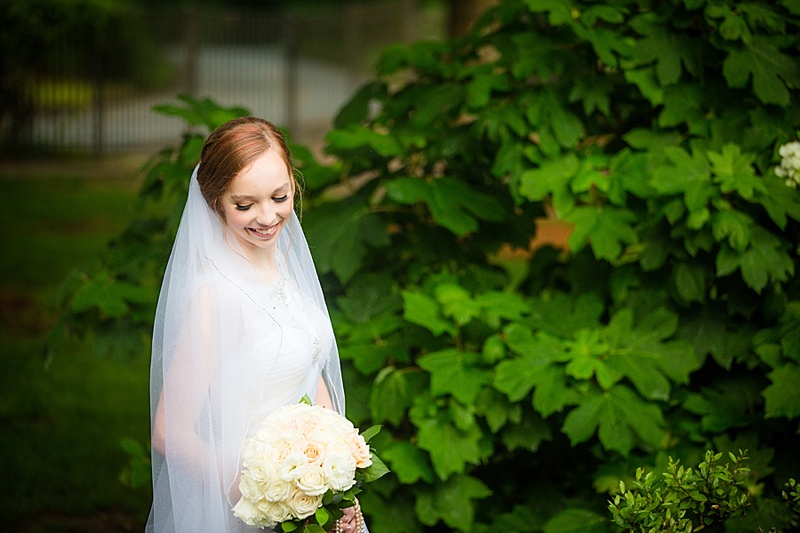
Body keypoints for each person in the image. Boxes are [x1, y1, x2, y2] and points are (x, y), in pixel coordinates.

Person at [146, 117, 362, 533]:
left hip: (311, 496)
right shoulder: (216, 295)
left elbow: (308, 365)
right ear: (214, 202)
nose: (268, 217)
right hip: (250, 505)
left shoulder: (283, 258)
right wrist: (268, 495)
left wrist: (336, 476)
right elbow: (169, 431)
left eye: (280, 196)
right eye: (244, 205)